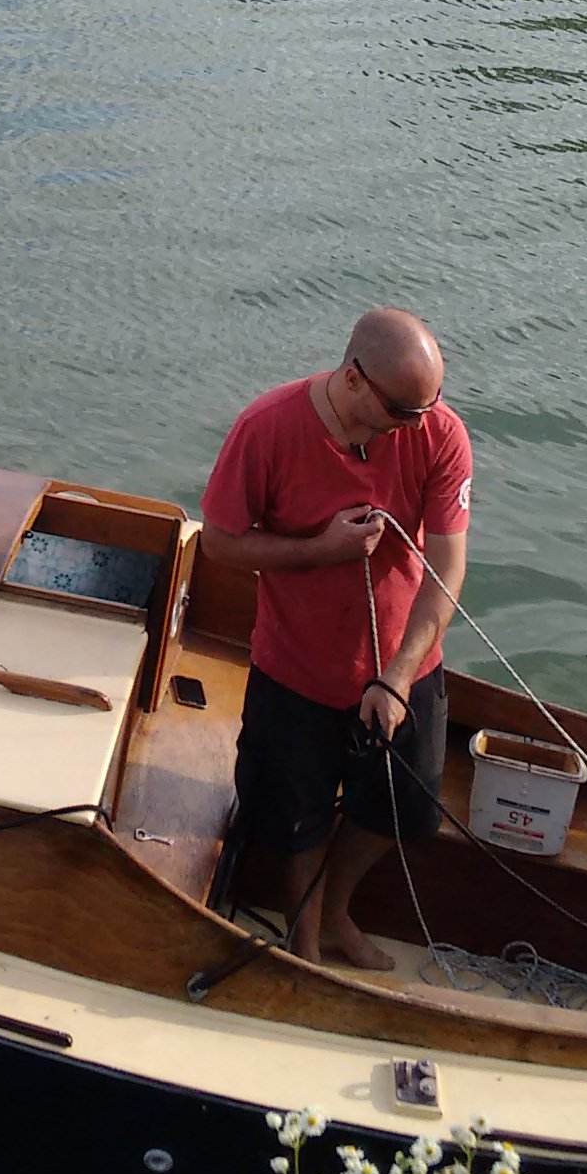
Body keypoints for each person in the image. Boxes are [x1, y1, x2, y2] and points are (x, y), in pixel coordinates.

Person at [200, 309, 472, 970]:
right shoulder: (266, 428)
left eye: (428, 406)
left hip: (403, 670)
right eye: (404, 410)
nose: (421, 422)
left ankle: (337, 913)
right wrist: (322, 548)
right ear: (353, 379)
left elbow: (449, 568)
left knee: (404, 810)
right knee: (294, 820)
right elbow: (220, 543)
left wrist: (399, 676)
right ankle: (305, 938)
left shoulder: (440, 432)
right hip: (295, 671)